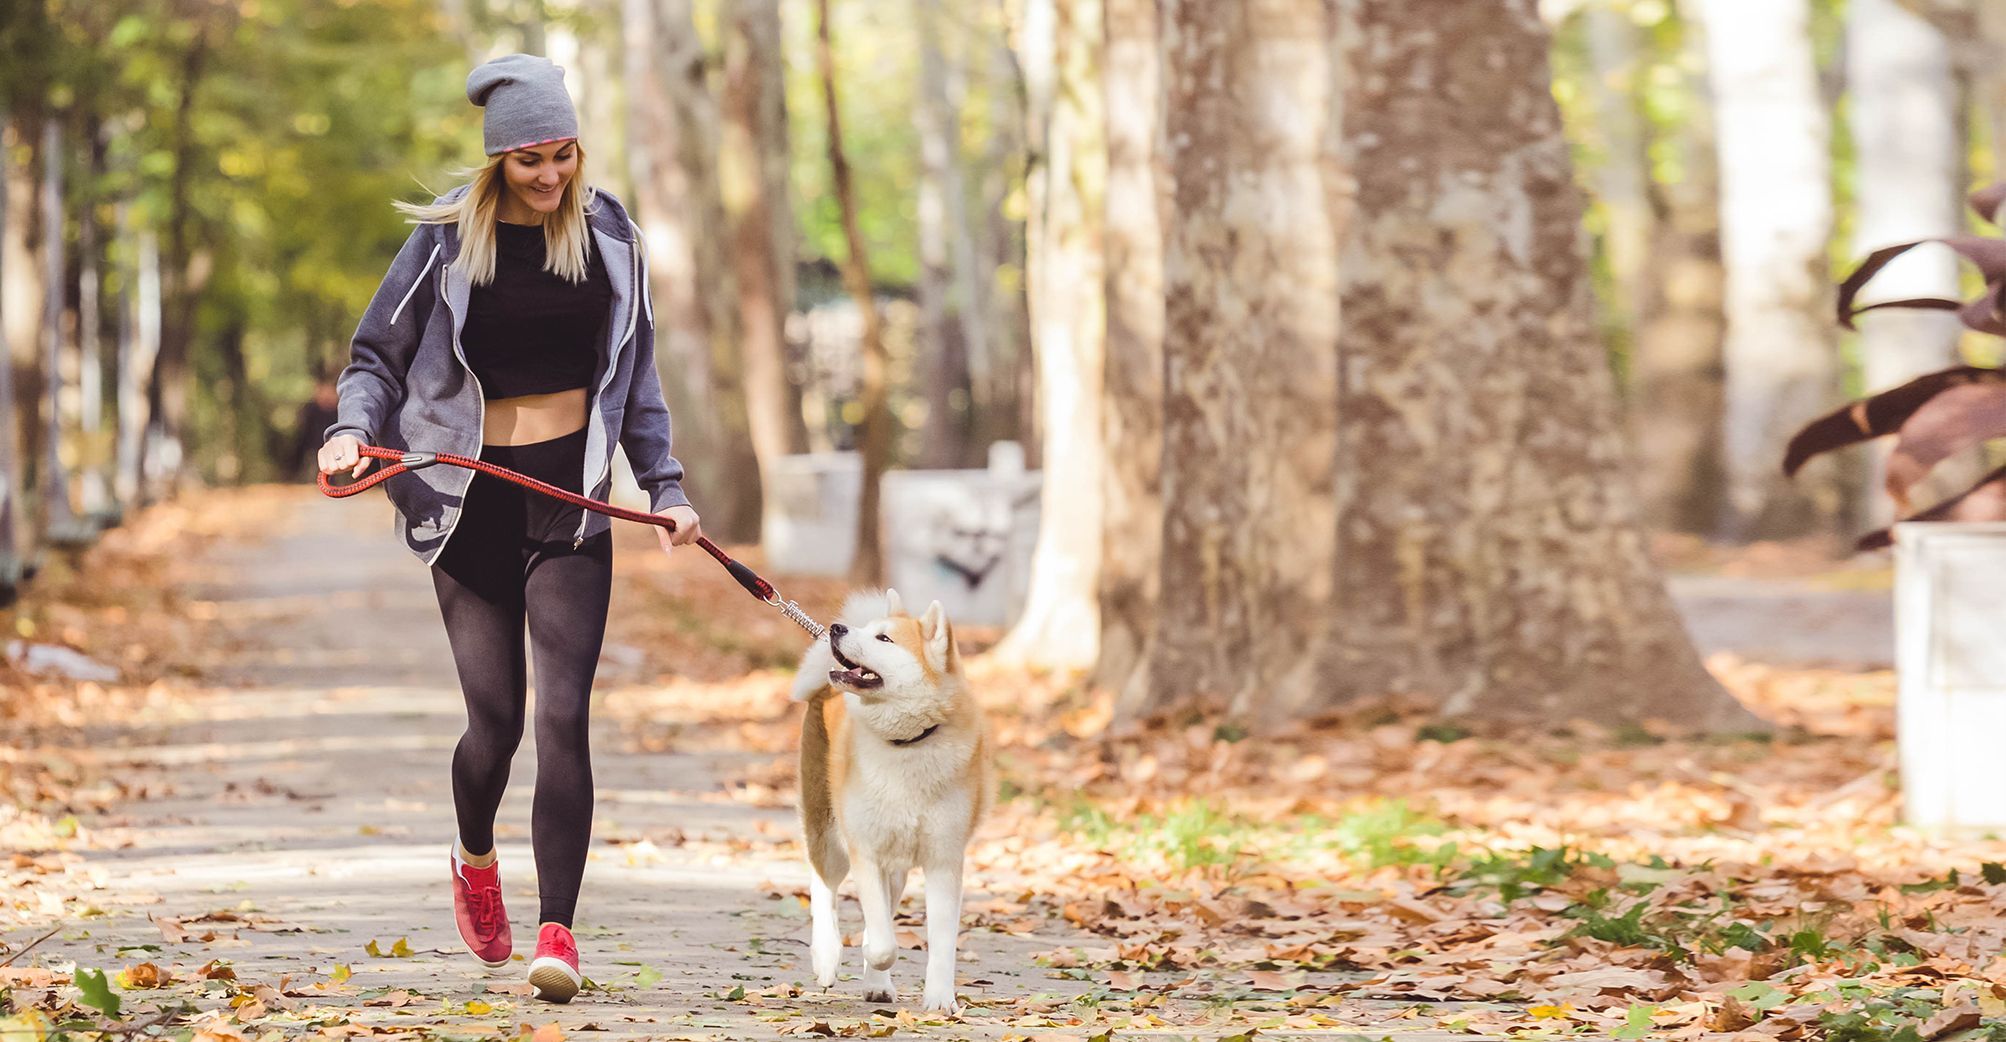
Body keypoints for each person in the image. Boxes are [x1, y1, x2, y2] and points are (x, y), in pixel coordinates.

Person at [315, 52, 702, 1004]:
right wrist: (350, 430)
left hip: (570, 496)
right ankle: (473, 851)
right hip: (465, 498)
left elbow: (637, 381)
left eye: (563, 154)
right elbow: (377, 356)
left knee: (566, 717)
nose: (550, 175)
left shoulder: (612, 237)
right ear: (497, 162)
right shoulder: (449, 241)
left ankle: (559, 931)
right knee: (498, 722)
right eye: (529, 160)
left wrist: (665, 487)